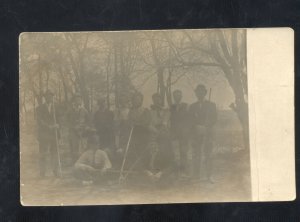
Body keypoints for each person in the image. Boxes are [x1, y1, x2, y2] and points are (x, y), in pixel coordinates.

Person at [189, 84, 217, 182]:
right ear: (196, 93)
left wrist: (206, 126)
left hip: (208, 133)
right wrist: (197, 126)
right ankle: (196, 175)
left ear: (205, 93)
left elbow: (214, 119)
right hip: (196, 133)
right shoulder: (192, 107)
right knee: (196, 154)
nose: (200, 93)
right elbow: (190, 120)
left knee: (208, 154)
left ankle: (209, 175)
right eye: (198, 92)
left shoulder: (211, 105)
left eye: (202, 91)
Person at [147, 93, 174, 181]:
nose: (157, 101)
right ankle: (153, 170)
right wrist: (155, 131)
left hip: (164, 135)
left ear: (161, 100)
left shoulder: (166, 111)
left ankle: (164, 170)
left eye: (158, 99)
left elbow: (165, 123)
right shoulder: (150, 112)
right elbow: (149, 124)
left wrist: (162, 130)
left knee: (165, 151)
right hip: (154, 133)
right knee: (153, 151)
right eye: (155, 99)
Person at [124, 92, 151, 171]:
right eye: (134, 100)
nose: (136, 101)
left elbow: (146, 122)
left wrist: (136, 123)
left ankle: (146, 169)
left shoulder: (146, 110)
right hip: (133, 134)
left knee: (143, 151)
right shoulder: (131, 111)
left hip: (143, 134)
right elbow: (128, 121)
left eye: (138, 100)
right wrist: (130, 124)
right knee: (134, 151)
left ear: (141, 101)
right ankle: (136, 168)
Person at [36, 90, 60, 177]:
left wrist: (58, 124)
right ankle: (42, 172)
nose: (49, 97)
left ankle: (55, 171)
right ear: (45, 97)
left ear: (52, 97)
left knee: (55, 152)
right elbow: (40, 121)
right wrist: (49, 126)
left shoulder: (56, 107)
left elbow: (60, 118)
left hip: (54, 134)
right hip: (44, 134)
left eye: (50, 96)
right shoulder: (39, 108)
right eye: (47, 96)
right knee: (43, 153)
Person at [170, 90, 189, 176]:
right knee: (174, 151)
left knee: (183, 151)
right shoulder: (172, 107)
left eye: (179, 96)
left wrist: (187, 130)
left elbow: (189, 119)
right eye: (175, 96)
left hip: (184, 132)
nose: (177, 97)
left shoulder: (186, 106)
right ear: (174, 97)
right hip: (174, 132)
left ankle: (183, 171)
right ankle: (175, 170)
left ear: (181, 97)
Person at [67, 94, 89, 163]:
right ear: (74, 101)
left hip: (82, 132)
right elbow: (67, 121)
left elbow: (88, 121)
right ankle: (74, 163)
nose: (78, 101)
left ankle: (83, 162)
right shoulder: (70, 111)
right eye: (76, 100)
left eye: (79, 100)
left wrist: (84, 127)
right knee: (74, 148)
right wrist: (73, 127)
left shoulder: (84, 110)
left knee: (83, 148)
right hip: (73, 132)